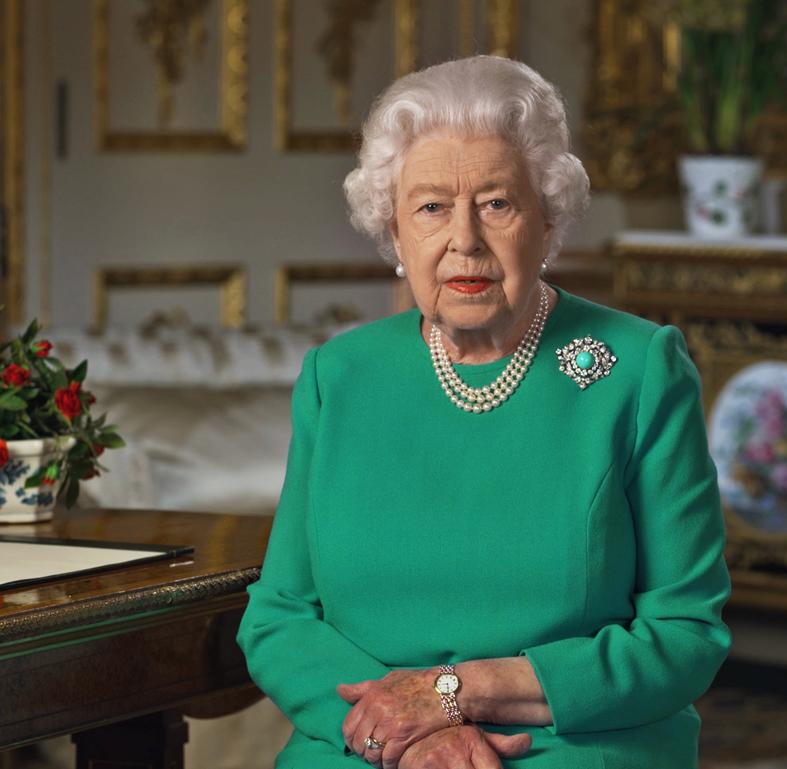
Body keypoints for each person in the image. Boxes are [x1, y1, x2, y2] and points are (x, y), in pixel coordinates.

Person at [237, 55, 732, 769]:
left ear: (547, 218)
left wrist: (456, 692)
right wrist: (414, 736)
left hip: (571, 743)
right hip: (368, 745)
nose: (464, 239)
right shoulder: (338, 377)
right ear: (395, 232)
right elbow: (279, 615)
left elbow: (686, 634)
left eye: (496, 203)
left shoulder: (637, 368)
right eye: (432, 206)